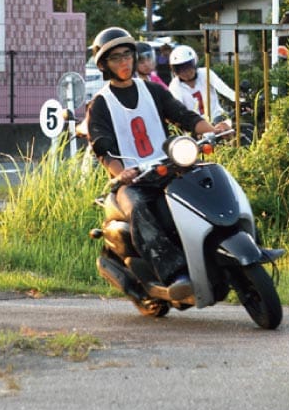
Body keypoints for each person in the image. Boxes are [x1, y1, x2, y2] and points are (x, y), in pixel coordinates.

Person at [85, 27, 229, 300]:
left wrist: (213, 130)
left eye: (127, 54)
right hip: (133, 181)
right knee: (138, 206)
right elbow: (102, 148)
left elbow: (183, 116)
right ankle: (175, 274)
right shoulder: (100, 104)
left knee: (207, 180)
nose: (124, 62)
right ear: (104, 65)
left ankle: (224, 247)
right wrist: (121, 173)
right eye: (115, 58)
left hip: (168, 166)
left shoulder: (152, 90)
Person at [167, 45, 236, 123]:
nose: (186, 72)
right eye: (179, 69)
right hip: (195, 126)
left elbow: (223, 88)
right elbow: (178, 108)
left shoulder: (205, 73)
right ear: (174, 71)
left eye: (188, 66)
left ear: (194, 63)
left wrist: (238, 100)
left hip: (217, 119)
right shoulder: (175, 86)